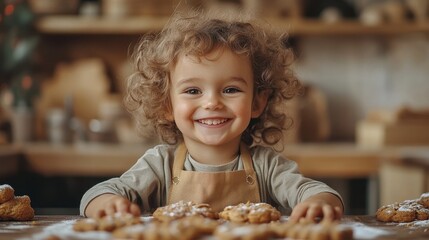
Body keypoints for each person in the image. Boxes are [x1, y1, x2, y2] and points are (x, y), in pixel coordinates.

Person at [80, 10, 344, 222]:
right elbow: (95, 195)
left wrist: (318, 203)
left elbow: (319, 193)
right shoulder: (158, 165)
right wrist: (107, 204)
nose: (212, 102)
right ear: (167, 104)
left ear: (257, 102)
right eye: (193, 90)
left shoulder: (267, 166)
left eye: (230, 89)